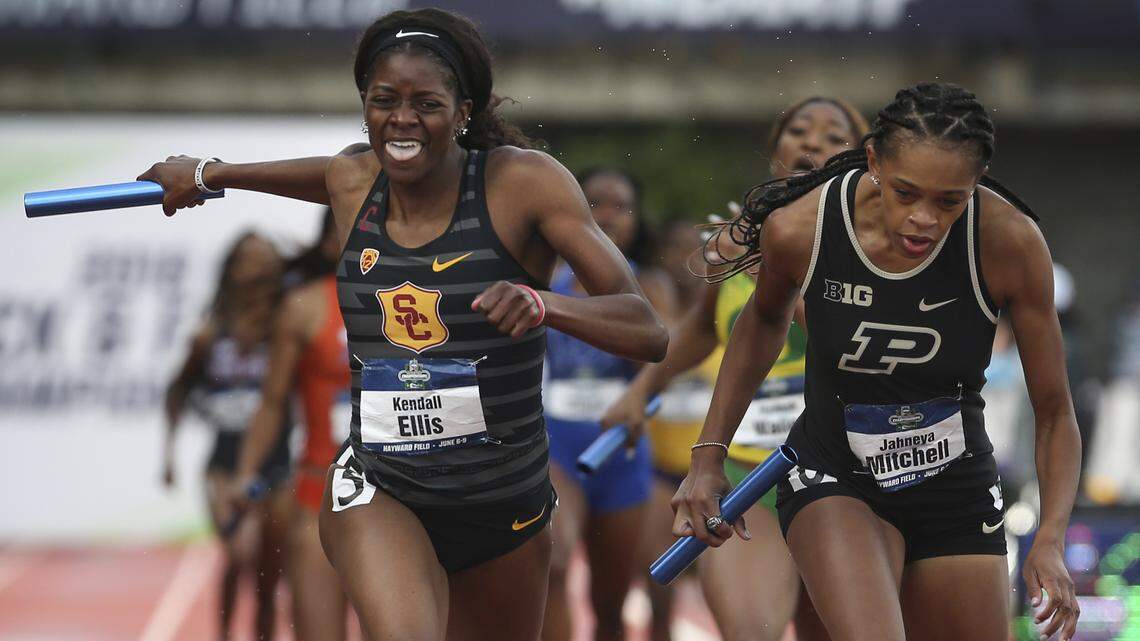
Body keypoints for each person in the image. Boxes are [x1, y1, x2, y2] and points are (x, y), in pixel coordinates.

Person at [137, 8, 668, 641]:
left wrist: (546, 303)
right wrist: (204, 175)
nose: (402, 120)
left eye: (427, 103)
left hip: (503, 499)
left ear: (463, 111)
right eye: (383, 100)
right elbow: (311, 174)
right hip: (381, 482)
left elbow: (647, 329)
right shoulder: (353, 177)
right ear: (364, 106)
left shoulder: (523, 183)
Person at [672, 82, 1082, 641]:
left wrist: (1052, 538)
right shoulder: (802, 226)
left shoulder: (1009, 242)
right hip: (835, 473)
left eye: (948, 201)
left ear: (976, 185)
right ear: (873, 163)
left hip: (955, 482)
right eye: (906, 193)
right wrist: (707, 454)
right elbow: (762, 320)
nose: (923, 220)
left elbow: (1055, 409)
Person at [608, 96, 866, 641]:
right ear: (775, 152)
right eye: (797, 130)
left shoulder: (878, 243)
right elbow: (703, 329)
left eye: (833, 135)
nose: (812, 141)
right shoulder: (742, 244)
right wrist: (642, 389)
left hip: (851, 480)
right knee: (750, 632)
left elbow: (848, 343)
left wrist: (771, 267)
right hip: (754, 476)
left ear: (864, 158)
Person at [540, 167, 677, 641]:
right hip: (556, 447)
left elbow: (663, 366)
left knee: (611, 606)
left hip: (621, 449)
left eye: (622, 207)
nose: (610, 215)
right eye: (597, 202)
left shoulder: (651, 288)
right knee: (553, 563)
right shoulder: (543, 281)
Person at [229, 209, 354, 641]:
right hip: (320, 491)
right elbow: (272, 402)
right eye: (347, 227)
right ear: (327, 244)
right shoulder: (303, 307)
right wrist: (245, 472)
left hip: (401, 495)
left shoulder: (415, 301)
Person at [161, 232, 292, 641]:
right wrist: (167, 454)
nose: (255, 268)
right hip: (224, 460)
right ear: (232, 269)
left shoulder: (287, 325)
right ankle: (223, 632)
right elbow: (177, 389)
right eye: (247, 260)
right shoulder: (211, 332)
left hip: (279, 461)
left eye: (264, 259)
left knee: (269, 575)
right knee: (239, 554)